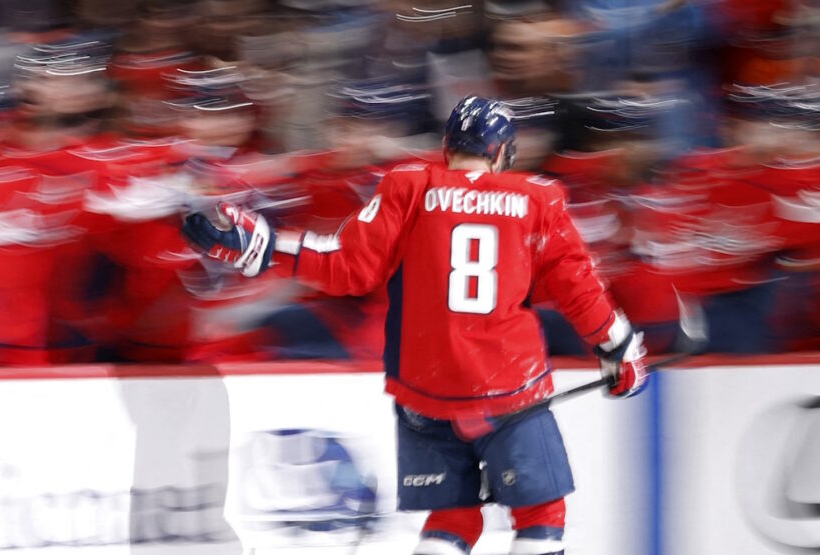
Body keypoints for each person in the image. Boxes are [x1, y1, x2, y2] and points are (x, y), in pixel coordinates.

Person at [181, 95, 649, 555]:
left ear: (448, 146)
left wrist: (265, 247)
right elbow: (579, 289)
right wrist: (620, 348)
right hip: (509, 387)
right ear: (504, 152)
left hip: (424, 392)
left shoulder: (408, 186)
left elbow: (347, 267)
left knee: (451, 520)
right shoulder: (538, 197)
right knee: (541, 516)